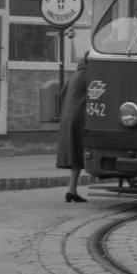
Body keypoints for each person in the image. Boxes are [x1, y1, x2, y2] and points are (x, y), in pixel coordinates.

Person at [57, 57, 89, 202]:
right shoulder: (92, 75)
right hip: (80, 117)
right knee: (79, 153)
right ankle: (72, 190)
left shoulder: (74, 75)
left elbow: (63, 93)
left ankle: (72, 190)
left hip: (67, 116)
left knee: (75, 153)